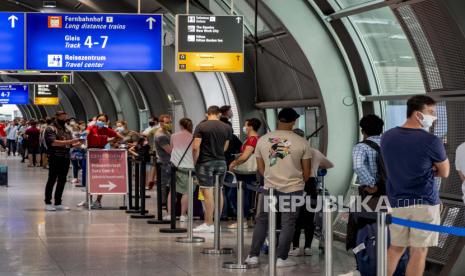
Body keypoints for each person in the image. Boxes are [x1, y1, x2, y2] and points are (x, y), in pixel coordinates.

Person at [381, 95, 449, 276]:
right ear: (418, 114)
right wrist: (431, 169)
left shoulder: (387, 137)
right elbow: (445, 172)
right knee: (419, 251)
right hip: (424, 203)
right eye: (431, 112)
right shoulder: (431, 141)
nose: (434, 117)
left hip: (396, 202)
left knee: (396, 248)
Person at [245, 108, 311, 268]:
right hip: (293, 188)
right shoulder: (302, 142)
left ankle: (253, 256)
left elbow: (260, 168)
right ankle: (281, 258)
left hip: (269, 188)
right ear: (294, 121)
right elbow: (307, 172)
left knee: (262, 221)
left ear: (278, 120)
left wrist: (271, 179)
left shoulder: (263, 140)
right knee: (288, 223)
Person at [290, 128, 333, 257]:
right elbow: (330, 165)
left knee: (294, 218)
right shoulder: (314, 152)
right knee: (309, 218)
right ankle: (308, 247)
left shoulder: (290, 152)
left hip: (295, 184)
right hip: (311, 185)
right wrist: (318, 165)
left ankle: (296, 247)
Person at [192, 106, 232, 233]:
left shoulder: (201, 126)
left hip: (205, 162)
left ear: (206, 114)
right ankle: (217, 222)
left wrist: (195, 162)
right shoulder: (227, 127)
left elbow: (195, 147)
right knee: (218, 190)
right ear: (219, 114)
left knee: (207, 191)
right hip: (221, 162)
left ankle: (208, 223)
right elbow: (225, 147)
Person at [228, 118, 262, 229]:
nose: (244, 127)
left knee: (237, 195)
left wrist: (234, 163)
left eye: (245, 125)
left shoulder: (252, 139)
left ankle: (242, 220)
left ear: (251, 126)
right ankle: (247, 220)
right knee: (245, 196)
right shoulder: (254, 139)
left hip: (246, 172)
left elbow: (245, 156)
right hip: (248, 172)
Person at [44, 111, 81, 211]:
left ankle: (58, 202)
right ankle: (48, 202)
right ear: (57, 117)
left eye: (65, 116)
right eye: (62, 116)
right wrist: (70, 142)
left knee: (62, 180)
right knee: (52, 179)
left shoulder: (66, 129)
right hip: (55, 157)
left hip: (65, 157)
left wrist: (75, 144)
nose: (65, 118)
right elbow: (54, 143)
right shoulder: (50, 128)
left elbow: (68, 144)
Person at [85, 114, 124, 208]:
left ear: (106, 122)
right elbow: (85, 133)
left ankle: (98, 200)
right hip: (91, 153)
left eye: (103, 121)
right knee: (90, 178)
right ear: (96, 119)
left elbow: (120, 137)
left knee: (101, 177)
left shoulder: (107, 130)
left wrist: (109, 141)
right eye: (99, 119)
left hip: (101, 154)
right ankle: (88, 200)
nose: (101, 122)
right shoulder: (91, 127)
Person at [166, 118, 194, 222]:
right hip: (189, 167)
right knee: (186, 192)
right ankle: (183, 215)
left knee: (172, 191)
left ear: (181, 125)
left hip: (175, 166)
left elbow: (172, 148)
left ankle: (169, 214)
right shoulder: (193, 137)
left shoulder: (173, 136)